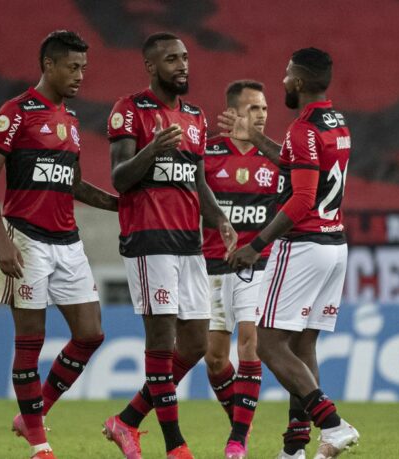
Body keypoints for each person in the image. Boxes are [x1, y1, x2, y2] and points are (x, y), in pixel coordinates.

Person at [0, 30, 118, 459]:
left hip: (68, 242)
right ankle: (40, 445)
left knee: (90, 334)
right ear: (49, 65)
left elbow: (70, 183)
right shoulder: (16, 112)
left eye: (83, 68)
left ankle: (32, 414)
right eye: (72, 67)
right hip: (26, 239)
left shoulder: (70, 122)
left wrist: (117, 204)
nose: (79, 75)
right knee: (30, 340)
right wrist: (0, 239)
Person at [102, 32, 237, 459]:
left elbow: (197, 182)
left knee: (196, 343)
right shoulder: (131, 110)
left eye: (185, 58)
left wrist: (219, 219)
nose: (182, 66)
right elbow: (120, 178)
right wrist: (152, 150)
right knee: (161, 343)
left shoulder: (195, 116)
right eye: (172, 59)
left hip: (188, 243)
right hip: (149, 241)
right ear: (151, 66)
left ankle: (126, 420)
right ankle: (175, 446)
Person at [224, 47, 360, 459]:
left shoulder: (303, 130)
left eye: (286, 74)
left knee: (267, 344)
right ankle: (294, 449)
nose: (282, 80)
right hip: (335, 246)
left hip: (303, 246)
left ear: (298, 81)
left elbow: (301, 199)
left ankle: (333, 424)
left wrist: (255, 245)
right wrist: (256, 139)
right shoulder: (336, 124)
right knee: (302, 348)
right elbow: (295, 165)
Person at [202, 80, 278, 459]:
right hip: (213, 265)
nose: (261, 115)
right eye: (252, 108)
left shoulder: (276, 158)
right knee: (215, 359)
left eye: (263, 108)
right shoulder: (209, 154)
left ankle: (236, 442)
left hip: (257, 265)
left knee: (250, 339)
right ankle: (241, 422)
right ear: (232, 113)